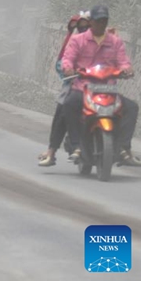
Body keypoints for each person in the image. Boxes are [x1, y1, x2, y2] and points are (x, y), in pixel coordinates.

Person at [61, 5, 141, 166]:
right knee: (69, 104)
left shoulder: (115, 42)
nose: (101, 24)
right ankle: (76, 144)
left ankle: (123, 148)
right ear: (91, 22)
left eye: (104, 21)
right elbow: (68, 58)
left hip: (108, 89)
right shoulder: (79, 40)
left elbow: (123, 61)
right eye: (98, 21)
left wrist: (127, 70)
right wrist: (68, 68)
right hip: (83, 88)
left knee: (131, 108)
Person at [37, 11, 90, 166]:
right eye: (79, 26)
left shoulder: (103, 43)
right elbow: (63, 62)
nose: (83, 29)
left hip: (97, 85)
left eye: (86, 25)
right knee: (62, 112)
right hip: (74, 84)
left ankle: (121, 149)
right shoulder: (74, 43)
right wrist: (70, 70)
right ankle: (51, 151)